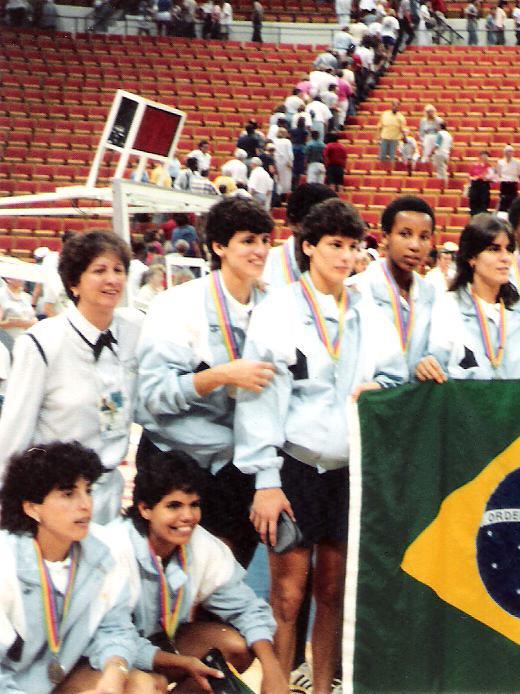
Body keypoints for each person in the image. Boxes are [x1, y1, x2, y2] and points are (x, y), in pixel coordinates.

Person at [234, 199, 407, 691]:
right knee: (288, 596)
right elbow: (258, 401)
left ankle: (324, 683)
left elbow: (396, 376)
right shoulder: (279, 310)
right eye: (334, 245)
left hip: (347, 472)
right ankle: (280, 686)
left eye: (354, 247)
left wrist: (381, 389)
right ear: (308, 246)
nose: (345, 257)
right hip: (294, 469)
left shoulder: (370, 311)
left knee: (333, 592)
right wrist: (265, 481)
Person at [134, 198, 276, 569]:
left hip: (237, 467)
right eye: (247, 240)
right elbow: (152, 396)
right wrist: (221, 375)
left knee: (224, 581)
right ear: (219, 247)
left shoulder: (276, 307)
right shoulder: (178, 305)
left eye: (264, 239)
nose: (260, 250)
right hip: (176, 460)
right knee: (167, 587)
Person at [105, 451, 286, 692]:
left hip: (156, 643)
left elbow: (247, 609)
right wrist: (184, 663)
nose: (187, 517)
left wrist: (272, 669)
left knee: (235, 646)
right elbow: (115, 639)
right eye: (174, 506)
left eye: (194, 505)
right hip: (108, 657)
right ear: (145, 509)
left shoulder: (200, 543)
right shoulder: (115, 547)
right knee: (150, 685)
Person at [0, 232, 141, 524]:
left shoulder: (135, 329)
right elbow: (15, 432)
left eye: (118, 270)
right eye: (99, 270)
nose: (112, 279)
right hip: (55, 498)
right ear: (74, 283)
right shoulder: (42, 343)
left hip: (109, 495)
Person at [0, 442, 156, 693]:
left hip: (56, 680)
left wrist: (116, 667)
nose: (85, 504)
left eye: (88, 490)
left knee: (141, 685)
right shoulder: (4, 562)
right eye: (68, 493)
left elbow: (115, 628)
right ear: (32, 508)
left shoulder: (103, 554)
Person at [415, 214, 520, 383]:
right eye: (494, 249)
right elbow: (436, 365)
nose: (505, 258)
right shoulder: (447, 308)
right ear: (472, 257)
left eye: (509, 250)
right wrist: (426, 367)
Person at [352, 196, 437, 376]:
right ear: (385, 237)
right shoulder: (356, 291)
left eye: (424, 237)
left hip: (416, 399)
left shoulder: (433, 295)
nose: (415, 245)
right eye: (405, 234)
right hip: (370, 398)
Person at [263, 184, 339, 293]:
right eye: (318, 226)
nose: (326, 235)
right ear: (292, 223)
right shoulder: (264, 269)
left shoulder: (348, 269)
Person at [496, 145, 520, 212]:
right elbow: (498, 173)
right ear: (504, 153)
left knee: (513, 200)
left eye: (511, 152)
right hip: (504, 183)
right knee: (503, 200)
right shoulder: (500, 162)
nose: (509, 153)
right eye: (508, 152)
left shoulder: (517, 162)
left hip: (513, 183)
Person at [468, 151, 497, 216]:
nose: (484, 157)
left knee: (484, 201)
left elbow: (493, 178)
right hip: (475, 185)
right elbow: (470, 176)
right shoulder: (474, 166)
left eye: (486, 156)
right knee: (474, 200)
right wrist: (475, 178)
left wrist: (488, 178)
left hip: (484, 185)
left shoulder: (489, 167)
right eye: (483, 156)